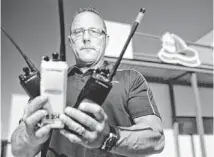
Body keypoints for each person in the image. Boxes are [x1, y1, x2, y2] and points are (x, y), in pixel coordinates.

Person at [11, 7, 165, 157]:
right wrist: (30, 138)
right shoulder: (49, 81)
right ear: (70, 42)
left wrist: (107, 137)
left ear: (106, 40)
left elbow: (156, 139)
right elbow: (18, 150)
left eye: (94, 31)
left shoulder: (131, 79)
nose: (86, 38)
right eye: (78, 32)